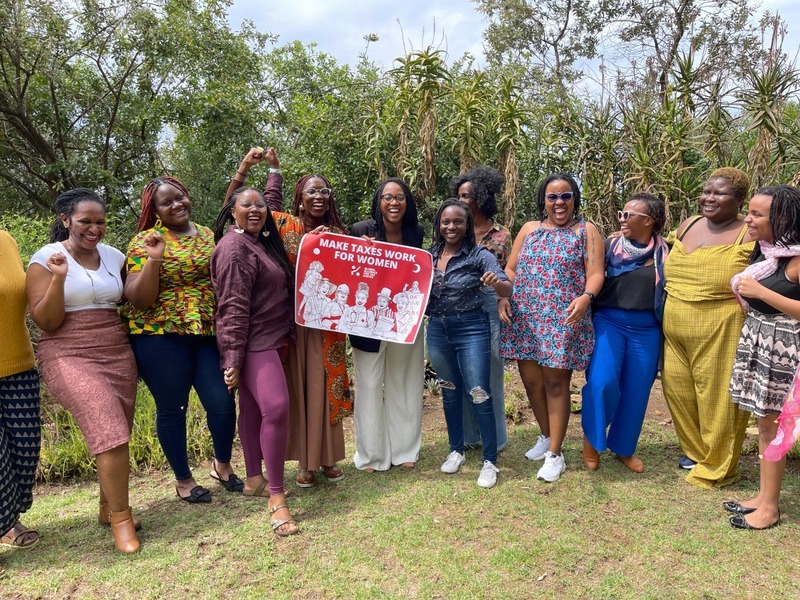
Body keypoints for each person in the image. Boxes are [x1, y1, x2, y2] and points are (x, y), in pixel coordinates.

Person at [229, 148, 352, 488]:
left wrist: (367, 246)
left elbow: (355, 272)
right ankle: (304, 462)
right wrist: (270, 170)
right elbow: (243, 207)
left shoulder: (339, 233)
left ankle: (328, 458)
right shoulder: (283, 225)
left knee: (324, 389)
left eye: (324, 191)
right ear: (300, 198)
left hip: (327, 327)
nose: (318, 196)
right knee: (297, 389)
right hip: (291, 324)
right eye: (312, 191)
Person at [27, 189, 139, 554]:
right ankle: (122, 519)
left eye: (100, 222)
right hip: (67, 351)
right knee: (109, 428)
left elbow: (133, 299)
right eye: (85, 221)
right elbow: (47, 321)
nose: (94, 228)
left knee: (118, 431)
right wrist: (59, 278)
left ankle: (107, 507)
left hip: (115, 349)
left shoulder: (114, 256)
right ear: (65, 220)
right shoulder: (46, 258)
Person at [120, 176, 241, 503]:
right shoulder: (145, 240)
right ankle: (183, 479)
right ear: (155, 210)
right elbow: (138, 298)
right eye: (167, 202)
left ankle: (222, 464)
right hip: (160, 334)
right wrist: (155, 258)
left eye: (180, 197)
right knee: (173, 407)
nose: (177, 205)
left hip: (206, 331)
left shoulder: (208, 234)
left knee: (221, 400)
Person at [500, 174, 604, 482]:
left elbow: (595, 272)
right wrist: (503, 296)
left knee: (556, 385)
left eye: (566, 196)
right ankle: (546, 436)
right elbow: (511, 269)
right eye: (553, 197)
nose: (559, 202)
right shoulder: (529, 229)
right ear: (543, 201)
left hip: (562, 319)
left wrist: (586, 297)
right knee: (532, 383)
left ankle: (555, 455)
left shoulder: (586, 231)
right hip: (525, 318)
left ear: (575, 199)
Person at [211, 187, 298, 536]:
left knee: (251, 408)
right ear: (232, 212)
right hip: (253, 341)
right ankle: (277, 497)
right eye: (246, 205)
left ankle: (253, 479)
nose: (255, 210)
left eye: (260, 205)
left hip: (268, 339)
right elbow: (232, 305)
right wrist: (232, 357)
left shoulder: (257, 242)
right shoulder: (234, 247)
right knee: (276, 409)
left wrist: (274, 175)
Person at [662, 167, 754, 488]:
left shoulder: (749, 232)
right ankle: (697, 452)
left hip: (722, 326)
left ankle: (718, 466)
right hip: (675, 327)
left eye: (719, 193)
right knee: (678, 391)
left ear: (739, 199)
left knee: (719, 398)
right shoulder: (688, 224)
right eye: (706, 191)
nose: (709, 198)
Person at [725, 185, 800, 529]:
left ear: (782, 218)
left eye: (757, 214)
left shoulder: (796, 260)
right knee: (765, 423)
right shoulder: (769, 252)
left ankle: (769, 508)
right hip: (761, 341)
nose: (748, 219)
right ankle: (763, 497)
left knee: (773, 425)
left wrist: (760, 292)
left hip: (784, 349)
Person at [580, 194, 669, 472]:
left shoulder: (666, 252)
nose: (622, 219)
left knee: (636, 391)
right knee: (602, 381)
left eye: (628, 215)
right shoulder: (608, 246)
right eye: (621, 213)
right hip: (609, 322)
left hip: (647, 329)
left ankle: (623, 447)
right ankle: (592, 441)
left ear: (649, 221)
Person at [428, 199, 512, 488]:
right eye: (446, 222)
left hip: (471, 329)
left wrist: (496, 282)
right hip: (437, 330)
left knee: (479, 392)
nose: (451, 227)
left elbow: (507, 286)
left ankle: (490, 461)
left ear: (467, 226)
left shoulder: (479, 255)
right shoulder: (429, 255)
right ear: (439, 224)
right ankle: (456, 450)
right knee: (449, 390)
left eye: (458, 222)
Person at [349, 178, 425, 472]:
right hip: (367, 322)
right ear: (378, 201)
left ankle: (405, 449)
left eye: (400, 197)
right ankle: (371, 455)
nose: (394, 203)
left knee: (404, 380)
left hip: (404, 320)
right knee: (368, 384)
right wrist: (360, 250)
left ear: (408, 201)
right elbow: (346, 268)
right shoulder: (360, 230)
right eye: (388, 197)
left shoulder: (416, 232)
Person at [450, 166, 511, 452]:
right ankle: (469, 436)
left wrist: (502, 298)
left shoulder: (502, 235)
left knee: (491, 369)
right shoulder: (453, 230)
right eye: (459, 195)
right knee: (461, 370)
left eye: (467, 196)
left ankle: (495, 437)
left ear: (482, 197)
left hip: (488, 303)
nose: (462, 201)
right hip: (457, 304)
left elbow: (509, 273)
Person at [0, 230, 41, 556]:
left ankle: (8, 515)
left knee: (25, 452)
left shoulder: (6, 240)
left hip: (18, 365)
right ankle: (5, 524)